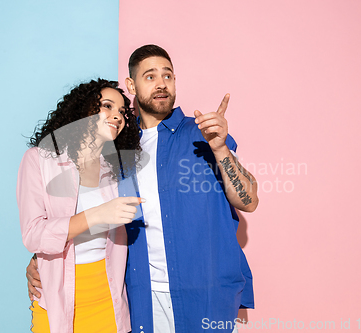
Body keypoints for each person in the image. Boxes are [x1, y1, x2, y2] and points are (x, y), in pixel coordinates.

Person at [27, 45, 259, 333]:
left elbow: (248, 201)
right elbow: (77, 206)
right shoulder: (117, 149)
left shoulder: (202, 134)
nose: (161, 83)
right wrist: (42, 260)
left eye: (168, 75)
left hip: (207, 296)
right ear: (131, 85)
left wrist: (221, 148)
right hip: (140, 299)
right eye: (150, 76)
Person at [17, 78, 143, 333]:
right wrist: (97, 214)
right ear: (84, 110)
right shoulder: (39, 160)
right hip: (57, 296)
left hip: (109, 297)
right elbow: (33, 234)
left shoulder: (116, 166)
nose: (117, 116)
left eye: (121, 111)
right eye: (107, 106)